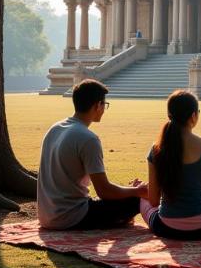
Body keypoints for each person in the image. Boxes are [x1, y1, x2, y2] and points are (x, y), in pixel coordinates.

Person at [37, 78, 147, 230]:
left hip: (46, 215)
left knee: (129, 194)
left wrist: (128, 190)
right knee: (136, 199)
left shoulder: (55, 128)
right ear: (98, 105)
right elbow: (104, 191)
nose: (104, 109)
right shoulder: (88, 139)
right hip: (71, 217)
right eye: (104, 105)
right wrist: (136, 191)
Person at [140, 89, 201, 239]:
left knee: (142, 201)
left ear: (169, 115)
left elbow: (153, 201)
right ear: (193, 115)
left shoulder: (156, 149)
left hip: (167, 228)